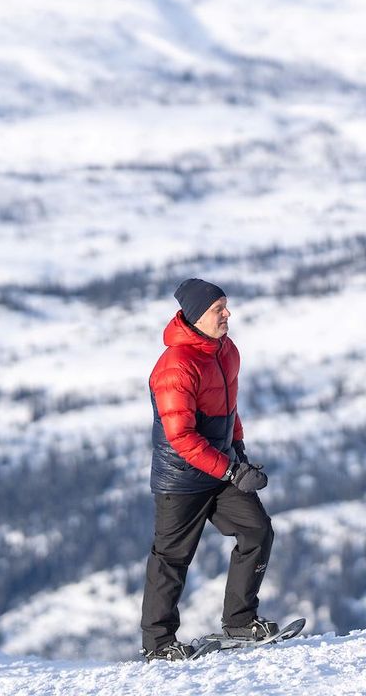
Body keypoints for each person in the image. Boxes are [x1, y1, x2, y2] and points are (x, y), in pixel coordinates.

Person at [139, 278, 280, 660]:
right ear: (199, 316)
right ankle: (158, 644)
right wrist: (233, 472)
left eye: (226, 306)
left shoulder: (226, 352)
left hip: (218, 470)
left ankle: (239, 620)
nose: (227, 314)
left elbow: (229, 411)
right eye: (219, 308)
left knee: (257, 531)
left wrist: (239, 454)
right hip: (181, 479)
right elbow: (181, 438)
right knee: (171, 559)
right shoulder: (176, 366)